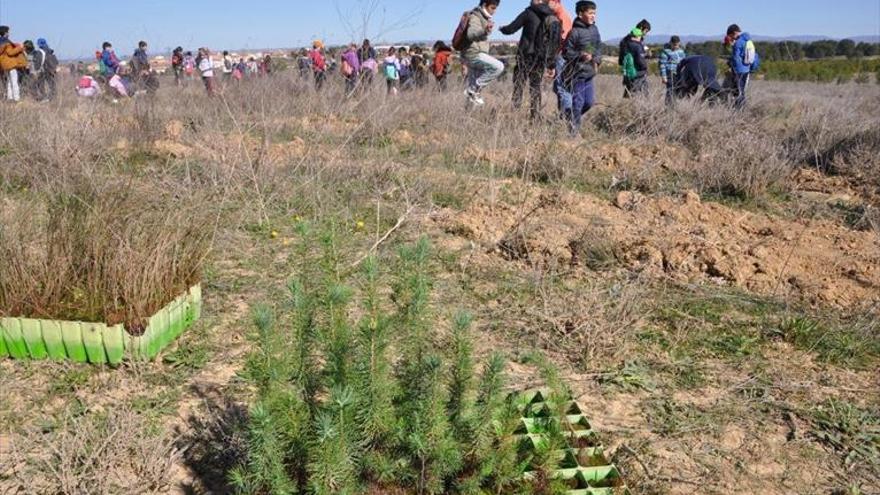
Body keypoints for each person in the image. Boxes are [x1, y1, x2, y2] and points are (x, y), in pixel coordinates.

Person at [500, 0, 561, 121]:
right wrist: (550, 63)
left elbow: (512, 28)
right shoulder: (551, 15)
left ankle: (514, 116)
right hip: (540, 58)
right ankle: (535, 117)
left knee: (518, 85)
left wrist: (502, 28)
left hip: (525, 55)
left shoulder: (528, 13)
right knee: (535, 87)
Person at [562, 1, 602, 135]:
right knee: (578, 102)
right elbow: (566, 52)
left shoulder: (594, 30)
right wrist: (580, 55)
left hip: (589, 73)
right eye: (590, 13)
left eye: (594, 13)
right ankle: (573, 132)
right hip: (577, 73)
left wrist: (596, 60)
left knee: (589, 102)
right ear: (580, 14)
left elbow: (597, 47)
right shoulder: (574, 32)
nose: (593, 16)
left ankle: (570, 116)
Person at [459, 0, 505, 107]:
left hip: (473, 54)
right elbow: (471, 34)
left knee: (473, 98)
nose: (494, 11)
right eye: (492, 8)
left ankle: (467, 117)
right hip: (474, 54)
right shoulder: (475, 16)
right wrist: (484, 31)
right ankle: (473, 89)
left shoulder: (483, 17)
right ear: (484, 5)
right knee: (499, 67)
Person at [548, 0, 574, 119]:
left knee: (562, 89)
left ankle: (566, 120)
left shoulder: (562, 17)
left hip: (561, 57)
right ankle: (562, 117)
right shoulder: (559, 16)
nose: (545, 4)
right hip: (561, 57)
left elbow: (560, 41)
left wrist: (552, 59)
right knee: (558, 89)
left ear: (556, 2)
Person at [726, 24, 760, 109]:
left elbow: (736, 58)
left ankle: (738, 110)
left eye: (730, 35)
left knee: (738, 91)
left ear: (734, 33)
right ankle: (742, 108)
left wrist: (730, 63)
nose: (731, 38)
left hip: (738, 70)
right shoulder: (746, 40)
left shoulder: (738, 43)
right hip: (746, 69)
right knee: (742, 90)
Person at [619, 22, 649, 97]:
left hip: (628, 71)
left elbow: (621, 58)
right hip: (637, 71)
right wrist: (645, 66)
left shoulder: (625, 41)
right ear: (641, 29)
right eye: (646, 31)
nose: (645, 34)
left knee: (629, 92)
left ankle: (625, 107)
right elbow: (639, 58)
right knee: (638, 93)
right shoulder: (636, 44)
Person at [0, 27, 28, 102]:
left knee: (9, 82)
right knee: (14, 82)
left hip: (4, 65)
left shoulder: (0, 42)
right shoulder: (6, 42)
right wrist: (20, 47)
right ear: (5, 33)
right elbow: (10, 52)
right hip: (11, 64)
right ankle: (16, 99)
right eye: (8, 32)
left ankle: (10, 98)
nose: (9, 33)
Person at [659, 35, 686, 104]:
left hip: (679, 73)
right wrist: (664, 76)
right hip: (670, 73)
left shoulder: (681, 52)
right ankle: (669, 105)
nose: (675, 46)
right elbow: (662, 64)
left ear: (679, 43)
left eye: (677, 44)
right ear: (670, 43)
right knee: (670, 90)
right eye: (674, 44)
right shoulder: (665, 52)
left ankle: (675, 104)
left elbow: (684, 62)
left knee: (678, 89)